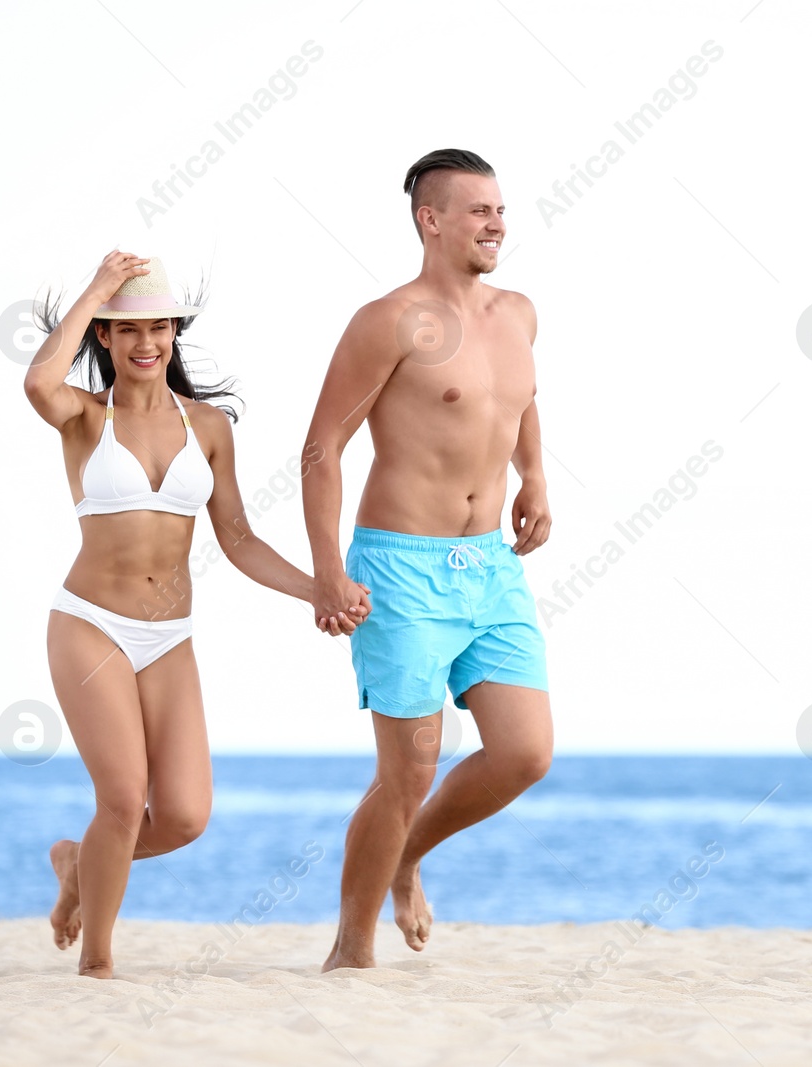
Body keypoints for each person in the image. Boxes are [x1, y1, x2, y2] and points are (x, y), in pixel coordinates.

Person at [24, 251, 368, 978]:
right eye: (127, 329)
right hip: (90, 623)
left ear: (175, 333)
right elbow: (37, 380)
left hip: (169, 637)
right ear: (106, 338)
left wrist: (318, 588)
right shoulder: (84, 417)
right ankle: (97, 962)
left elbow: (237, 538)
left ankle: (77, 862)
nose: (146, 342)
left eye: (159, 327)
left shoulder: (208, 426)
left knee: (182, 815)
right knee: (122, 797)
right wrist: (98, 289)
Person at [302, 149, 554, 970]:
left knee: (525, 752)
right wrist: (327, 571)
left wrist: (536, 477)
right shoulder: (389, 320)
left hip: (488, 565)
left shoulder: (517, 312)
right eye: (479, 210)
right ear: (431, 219)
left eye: (501, 210)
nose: (497, 224)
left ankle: (408, 855)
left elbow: (522, 400)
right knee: (407, 769)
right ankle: (352, 948)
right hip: (400, 568)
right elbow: (321, 449)